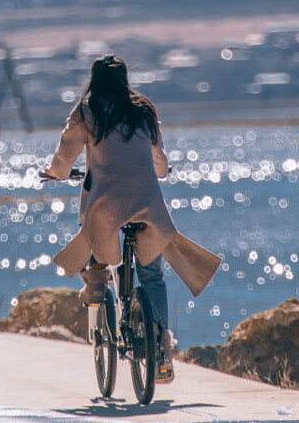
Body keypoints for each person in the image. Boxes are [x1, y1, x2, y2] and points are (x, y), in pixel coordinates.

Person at [43, 54, 221, 384]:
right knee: (152, 275)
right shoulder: (143, 111)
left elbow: (66, 154)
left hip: (107, 207)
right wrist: (161, 171)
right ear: (126, 80)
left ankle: (96, 284)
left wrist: (55, 173)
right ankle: (161, 347)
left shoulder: (86, 110)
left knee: (93, 232)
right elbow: (160, 163)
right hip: (147, 207)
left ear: (93, 80)